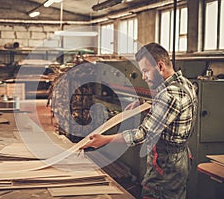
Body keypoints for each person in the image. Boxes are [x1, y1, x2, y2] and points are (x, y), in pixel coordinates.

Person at [81, 42, 198, 199]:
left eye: (145, 71)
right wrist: (143, 105)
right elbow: (172, 113)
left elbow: (143, 134)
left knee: (156, 194)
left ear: (160, 66)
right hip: (180, 158)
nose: (143, 77)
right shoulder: (185, 84)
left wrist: (104, 140)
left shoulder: (169, 95)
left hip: (166, 164)